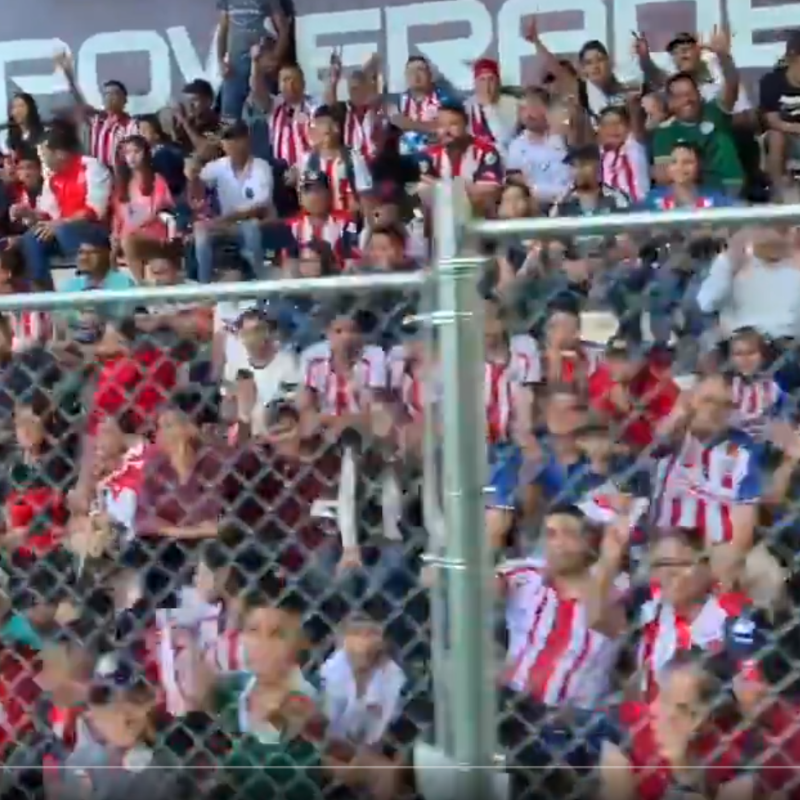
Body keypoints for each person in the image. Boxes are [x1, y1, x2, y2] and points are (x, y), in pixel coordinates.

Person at [598, 650, 753, 800]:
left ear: (705, 715)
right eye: (663, 700)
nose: (668, 714)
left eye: (683, 709)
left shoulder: (723, 749)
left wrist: (680, 763)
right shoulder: (630, 721)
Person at [17, 126, 112, 289]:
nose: (42, 160)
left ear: (59, 153)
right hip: (64, 230)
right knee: (31, 237)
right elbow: (48, 215)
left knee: (63, 229)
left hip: (96, 230)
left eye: (44, 154)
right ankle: (44, 295)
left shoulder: (90, 166)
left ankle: (85, 283)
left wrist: (60, 223)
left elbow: (95, 211)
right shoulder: (52, 178)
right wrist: (30, 214)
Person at [188, 119, 273, 284]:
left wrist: (224, 220)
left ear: (247, 139)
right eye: (227, 138)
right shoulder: (217, 166)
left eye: (236, 137)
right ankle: (204, 287)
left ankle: (260, 281)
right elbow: (196, 195)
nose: (231, 143)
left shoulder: (261, 166)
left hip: (254, 222)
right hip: (226, 225)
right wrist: (193, 176)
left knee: (251, 228)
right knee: (200, 230)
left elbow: (260, 207)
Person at [53, 53, 139, 169]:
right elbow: (80, 102)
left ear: (124, 100)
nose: (110, 97)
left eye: (114, 93)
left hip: (120, 177)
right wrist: (69, 76)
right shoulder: (97, 119)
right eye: (106, 94)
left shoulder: (130, 125)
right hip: (97, 177)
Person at [112, 135, 175, 280]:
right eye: (127, 153)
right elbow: (118, 217)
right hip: (129, 235)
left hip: (156, 235)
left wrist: (131, 227)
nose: (132, 157)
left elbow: (155, 211)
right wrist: (115, 236)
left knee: (128, 240)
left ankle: (140, 286)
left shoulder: (157, 179)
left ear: (145, 153)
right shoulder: (123, 184)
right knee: (122, 241)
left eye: (136, 151)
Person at [3, 92, 44, 157]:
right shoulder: (11, 139)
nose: (17, 111)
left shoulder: (42, 133)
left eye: (21, 106)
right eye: (14, 107)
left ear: (30, 108)